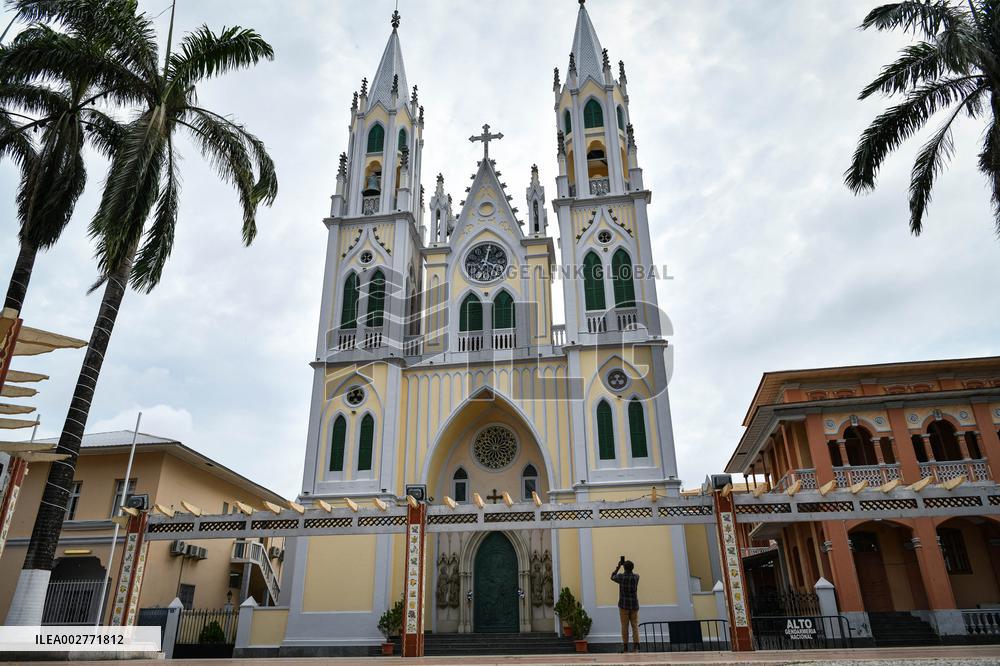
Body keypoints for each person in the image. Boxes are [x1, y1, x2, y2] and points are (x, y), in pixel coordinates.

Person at [611, 556, 640, 652]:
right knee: (634, 625)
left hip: (623, 605)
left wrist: (618, 567)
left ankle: (625, 647)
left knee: (624, 626)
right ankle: (636, 646)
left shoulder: (621, 577)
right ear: (633, 568)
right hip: (634, 605)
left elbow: (612, 577)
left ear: (624, 567)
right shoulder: (636, 577)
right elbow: (634, 576)